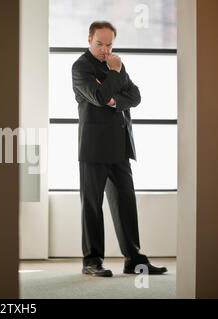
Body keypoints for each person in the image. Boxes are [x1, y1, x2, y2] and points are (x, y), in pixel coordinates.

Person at [71, 21, 168, 277]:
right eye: (100, 44)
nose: (105, 50)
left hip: (119, 145)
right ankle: (91, 261)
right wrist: (113, 78)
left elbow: (135, 96)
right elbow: (99, 97)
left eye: (109, 44)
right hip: (93, 147)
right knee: (92, 204)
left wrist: (114, 98)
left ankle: (134, 259)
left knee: (126, 201)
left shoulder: (114, 64)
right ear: (89, 40)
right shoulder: (81, 67)